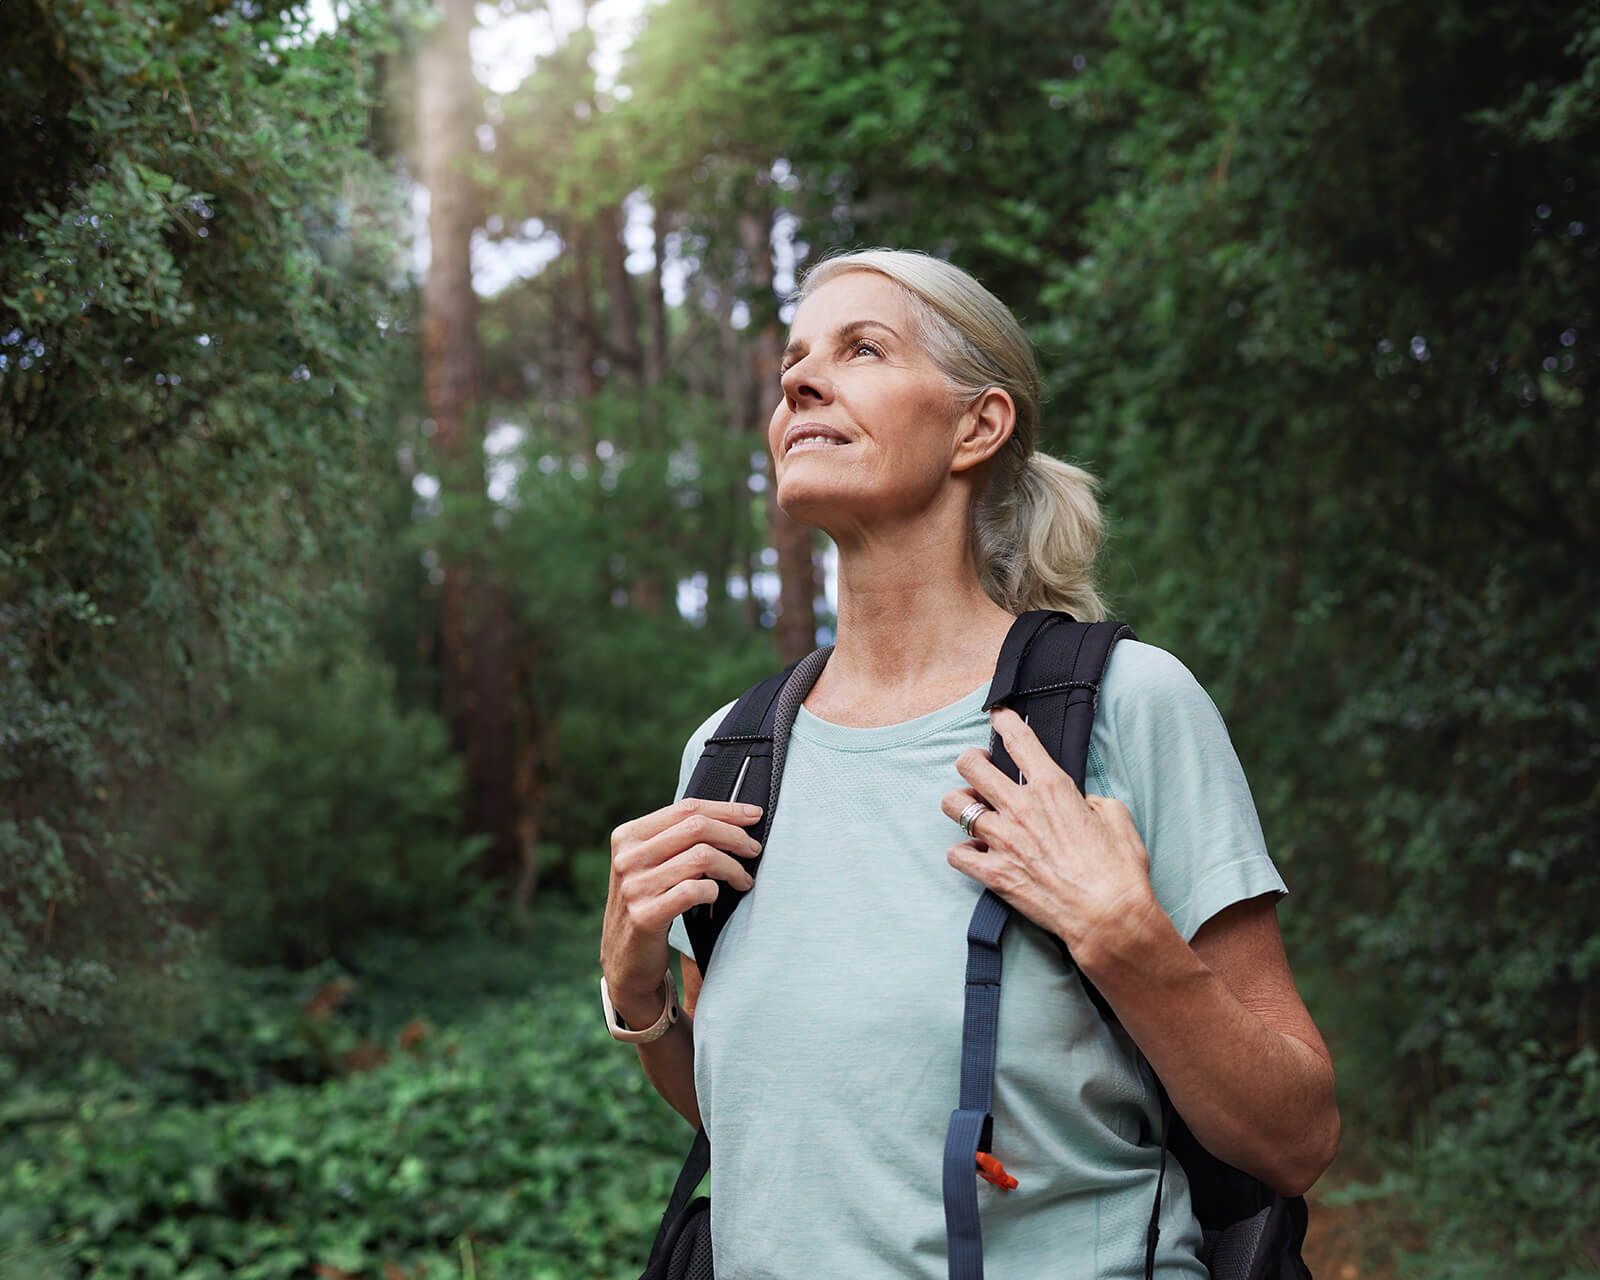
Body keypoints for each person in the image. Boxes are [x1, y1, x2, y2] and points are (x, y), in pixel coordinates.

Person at [600, 248, 1339, 1278]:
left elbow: (1295, 1136)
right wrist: (638, 998)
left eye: (861, 348)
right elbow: (781, 1122)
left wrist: (1125, 940)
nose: (799, 380)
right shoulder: (731, 752)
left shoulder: (1122, 706)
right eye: (794, 364)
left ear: (977, 426)